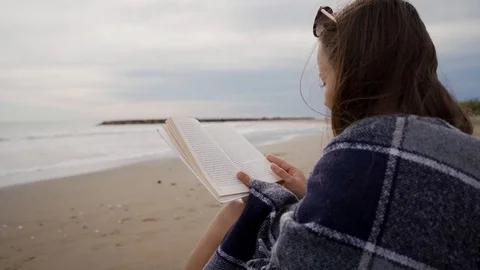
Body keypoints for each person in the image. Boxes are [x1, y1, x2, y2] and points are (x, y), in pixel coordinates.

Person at [185, 0, 480, 269]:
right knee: (237, 211)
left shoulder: (360, 155)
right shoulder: (468, 152)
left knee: (236, 214)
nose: (327, 101)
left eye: (325, 82)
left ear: (357, 79)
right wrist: (310, 193)